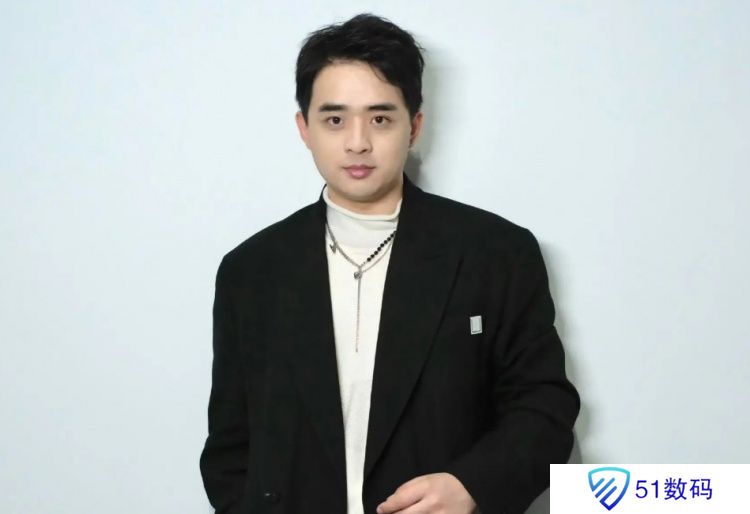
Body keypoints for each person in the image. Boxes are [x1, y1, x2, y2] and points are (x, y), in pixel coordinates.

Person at [199, 12, 579, 514]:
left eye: (380, 118)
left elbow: (545, 409)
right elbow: (230, 447)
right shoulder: (250, 271)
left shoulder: (495, 252)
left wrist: (472, 485)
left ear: (414, 125)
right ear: (304, 128)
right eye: (334, 119)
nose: (357, 142)